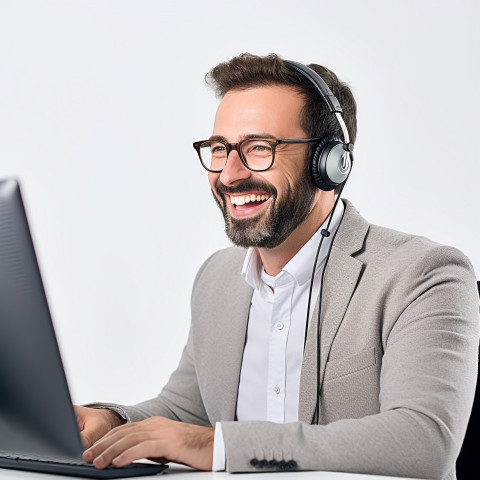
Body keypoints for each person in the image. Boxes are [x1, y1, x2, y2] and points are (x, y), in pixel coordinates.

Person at [75, 53, 479, 480]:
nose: (229, 175)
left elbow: (424, 442)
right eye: (218, 149)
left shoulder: (423, 274)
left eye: (258, 149)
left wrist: (217, 446)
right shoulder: (217, 279)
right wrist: (113, 421)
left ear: (329, 163)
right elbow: (186, 411)